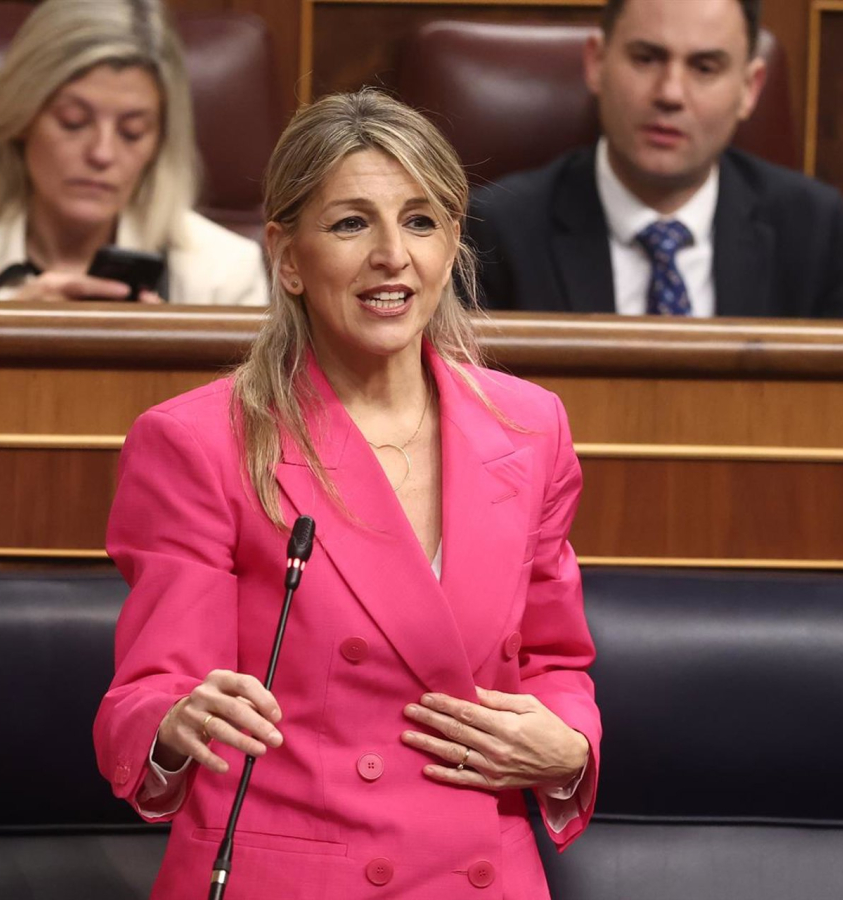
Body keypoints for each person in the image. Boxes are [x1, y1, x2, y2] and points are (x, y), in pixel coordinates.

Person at [94, 89, 601, 899]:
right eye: (350, 224)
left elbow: (555, 660)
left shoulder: (531, 428)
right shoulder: (200, 442)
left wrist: (570, 748)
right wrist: (177, 719)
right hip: (292, 878)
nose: (392, 255)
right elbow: (149, 691)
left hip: (483, 871)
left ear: (451, 246)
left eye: (420, 221)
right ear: (287, 257)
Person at [468, 0, 843, 319]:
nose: (670, 94)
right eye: (646, 58)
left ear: (750, 88)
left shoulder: (812, 228)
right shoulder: (498, 232)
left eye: (704, 68)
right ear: (596, 62)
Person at [0, 0, 266, 305]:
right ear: (21, 117)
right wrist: (7, 332)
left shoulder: (224, 272)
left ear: (159, 142)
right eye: (73, 122)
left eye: (132, 132)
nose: (102, 154)